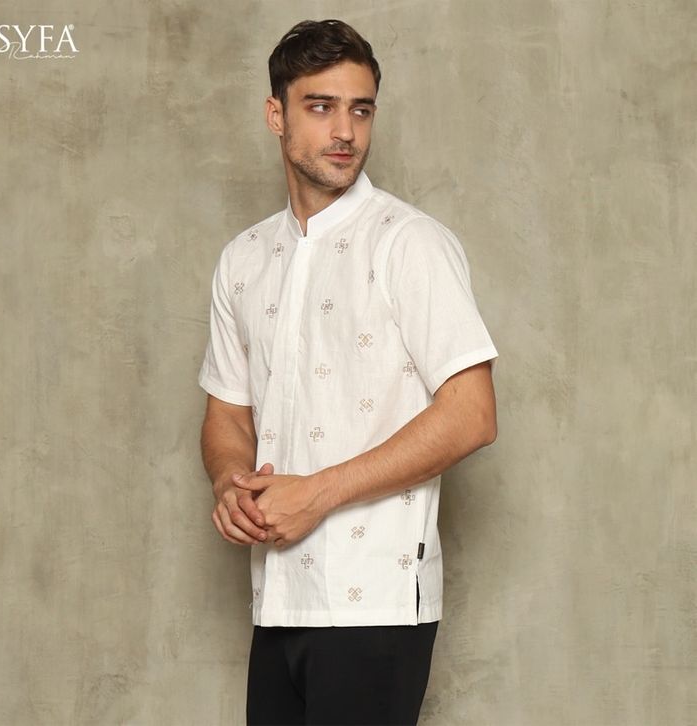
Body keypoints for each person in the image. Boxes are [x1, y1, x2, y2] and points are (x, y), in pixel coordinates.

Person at [198, 18, 499, 726]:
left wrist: (317, 494)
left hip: (377, 603)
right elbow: (227, 411)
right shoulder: (244, 257)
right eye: (321, 106)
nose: (345, 131)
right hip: (277, 599)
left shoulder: (410, 244)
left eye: (361, 110)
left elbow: (472, 414)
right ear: (276, 115)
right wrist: (229, 482)